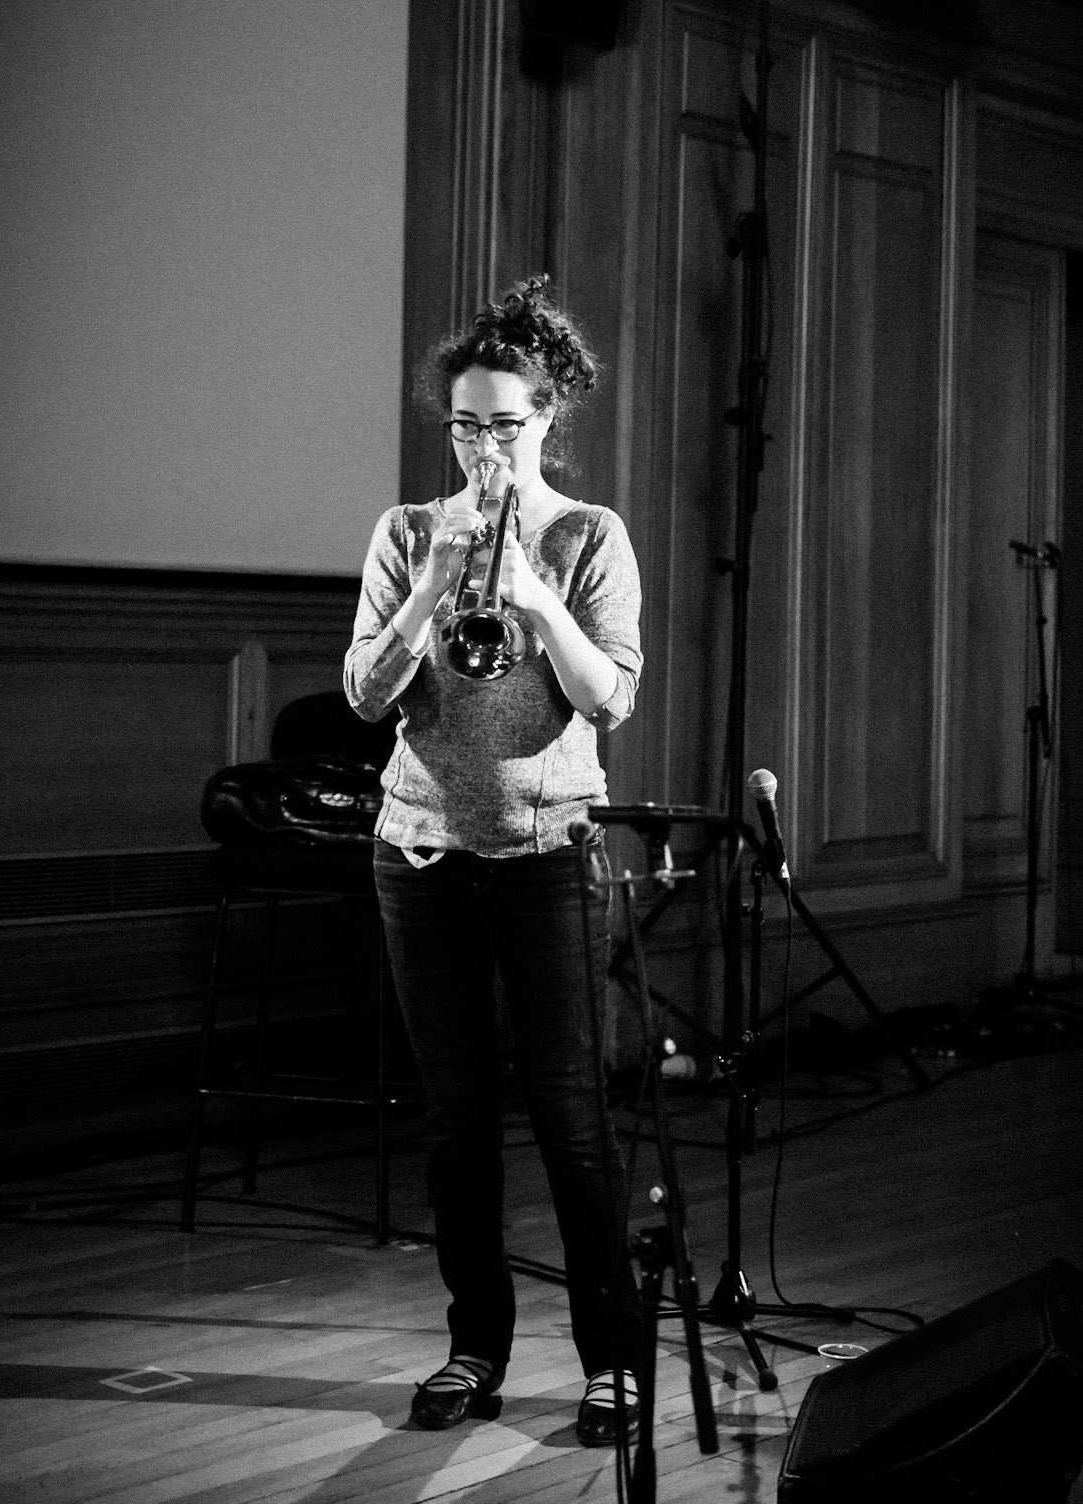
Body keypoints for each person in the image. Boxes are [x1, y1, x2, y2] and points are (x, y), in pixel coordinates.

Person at [344, 275, 645, 1446]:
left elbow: (609, 696)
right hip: (419, 851)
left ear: (549, 419)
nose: (483, 448)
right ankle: (475, 1346)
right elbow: (367, 695)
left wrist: (534, 597)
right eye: (465, 425)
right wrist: (429, 591)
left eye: (505, 426)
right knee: (457, 1120)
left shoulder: (591, 533)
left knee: (573, 1115)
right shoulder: (407, 530)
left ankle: (612, 1361)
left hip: (552, 852)